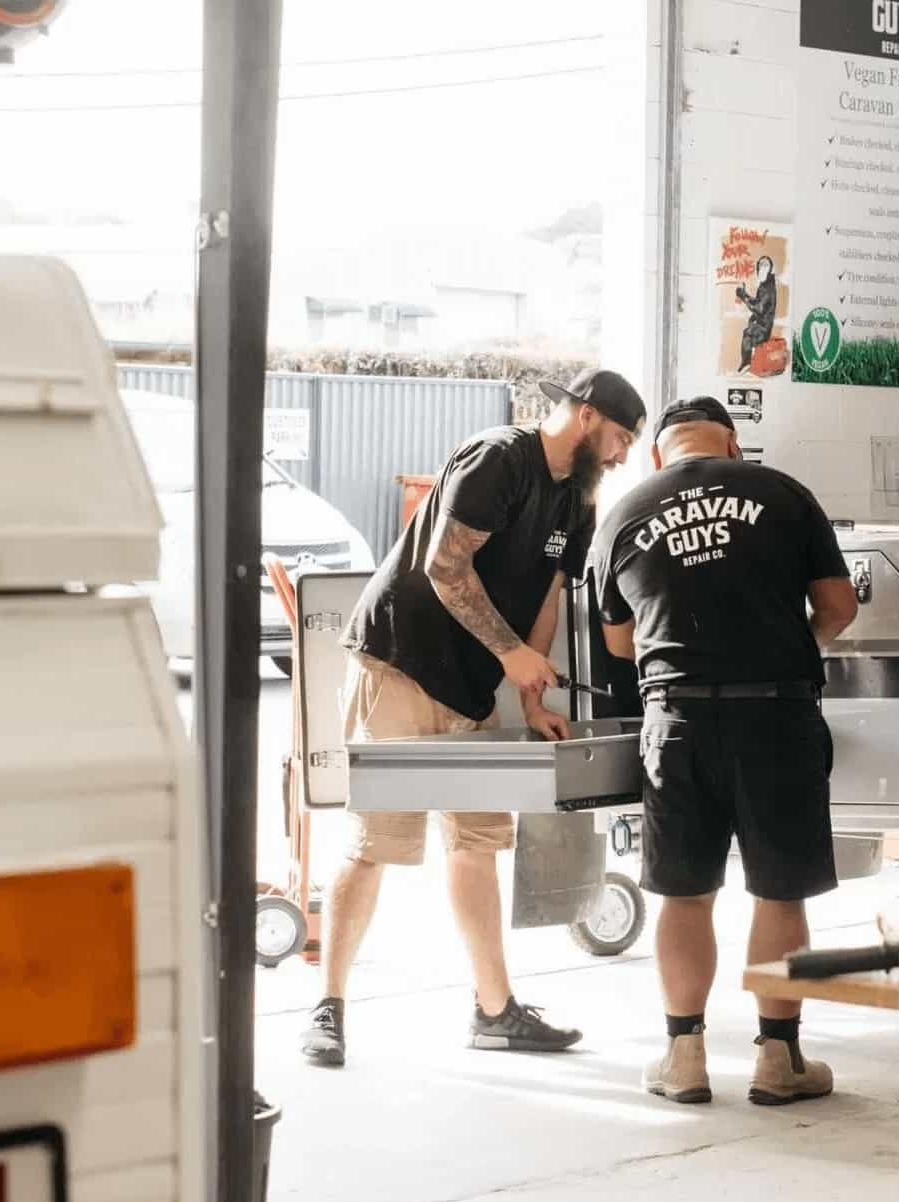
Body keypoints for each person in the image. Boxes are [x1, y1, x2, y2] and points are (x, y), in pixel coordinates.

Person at [301, 369, 647, 1067]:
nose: (619, 456)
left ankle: (494, 1011)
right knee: (376, 842)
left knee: (478, 841)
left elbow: (547, 593)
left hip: (474, 685)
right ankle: (328, 1009)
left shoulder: (577, 497)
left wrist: (529, 693)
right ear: (583, 416)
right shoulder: (499, 456)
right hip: (401, 662)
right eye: (617, 438)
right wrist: (511, 653)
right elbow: (444, 566)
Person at [587, 396, 858, 1105]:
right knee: (778, 888)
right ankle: (778, 1060)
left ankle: (684, 1058)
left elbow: (620, 643)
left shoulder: (622, 511)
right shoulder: (783, 494)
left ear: (657, 452)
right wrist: (792, 647)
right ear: (732, 444)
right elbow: (838, 607)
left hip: (675, 722)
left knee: (682, 890)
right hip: (775, 715)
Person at [734, 255, 777, 374]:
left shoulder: (767, 289)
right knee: (749, 328)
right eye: (761, 265)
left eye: (766, 265)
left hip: (764, 328)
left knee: (747, 334)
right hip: (762, 323)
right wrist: (744, 294)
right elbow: (758, 303)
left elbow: (758, 309)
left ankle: (746, 363)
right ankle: (750, 360)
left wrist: (743, 296)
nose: (762, 269)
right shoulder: (765, 285)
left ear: (770, 269)